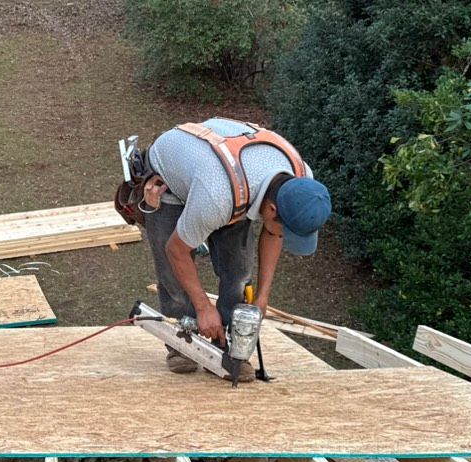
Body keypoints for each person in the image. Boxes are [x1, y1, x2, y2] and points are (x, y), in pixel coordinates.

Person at [118, 118, 331, 376]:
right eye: (288, 233)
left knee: (239, 269)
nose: (286, 239)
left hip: (228, 178)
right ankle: (181, 342)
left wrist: (262, 297)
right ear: (272, 209)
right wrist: (203, 307)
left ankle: (230, 346)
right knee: (172, 273)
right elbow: (177, 250)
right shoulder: (218, 197)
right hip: (171, 178)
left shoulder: (301, 179)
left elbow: (274, 234)